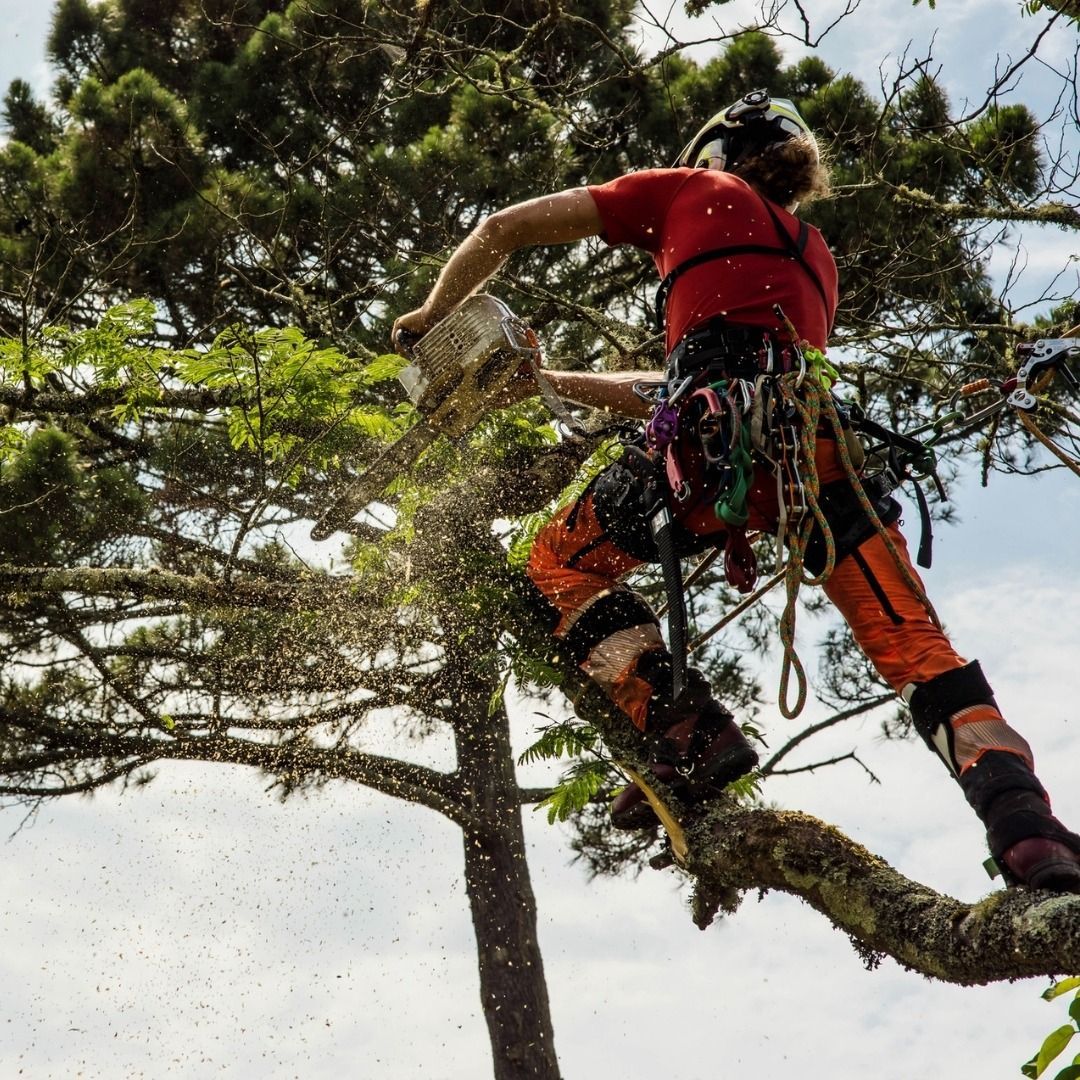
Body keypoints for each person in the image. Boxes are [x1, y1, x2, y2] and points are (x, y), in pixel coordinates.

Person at [393, 90, 1080, 892]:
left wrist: (430, 314)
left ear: (716, 154)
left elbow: (502, 229)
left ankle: (690, 730)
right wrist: (546, 383)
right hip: (820, 461)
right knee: (922, 656)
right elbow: (676, 376)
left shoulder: (687, 190)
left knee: (556, 564)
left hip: (714, 445)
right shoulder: (813, 253)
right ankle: (1029, 832)